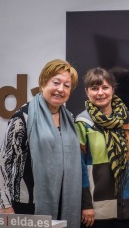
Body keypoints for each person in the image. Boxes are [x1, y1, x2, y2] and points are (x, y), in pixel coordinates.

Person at [0, 59, 82, 228]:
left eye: (67, 85)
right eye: (56, 82)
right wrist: (5, 205)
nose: (61, 89)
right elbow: (4, 162)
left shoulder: (70, 119)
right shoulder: (23, 117)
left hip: (64, 204)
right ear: (44, 82)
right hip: (27, 205)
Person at [75, 67, 129, 228]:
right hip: (96, 210)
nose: (100, 93)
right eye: (94, 88)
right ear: (87, 91)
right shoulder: (83, 123)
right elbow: (79, 169)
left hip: (128, 204)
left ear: (113, 89)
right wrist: (85, 205)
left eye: (105, 87)